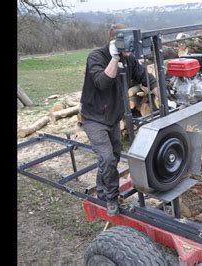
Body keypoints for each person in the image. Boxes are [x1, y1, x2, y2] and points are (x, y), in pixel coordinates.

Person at [80, 23, 157, 216]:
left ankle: (101, 192)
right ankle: (112, 199)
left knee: (111, 158)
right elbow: (102, 82)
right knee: (107, 158)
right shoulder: (96, 57)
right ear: (116, 42)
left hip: (113, 118)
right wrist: (115, 57)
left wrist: (164, 97)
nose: (131, 52)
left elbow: (146, 78)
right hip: (94, 118)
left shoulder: (129, 59)